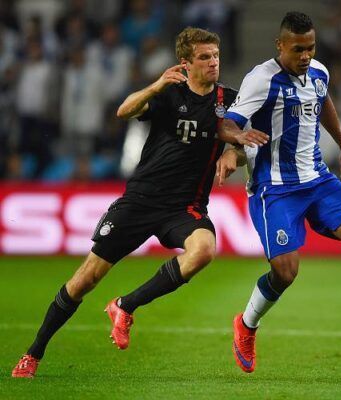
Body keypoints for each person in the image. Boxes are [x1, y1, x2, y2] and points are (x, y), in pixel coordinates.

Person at [11, 27, 266, 378]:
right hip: (141, 200)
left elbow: (243, 135)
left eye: (216, 56)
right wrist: (156, 84)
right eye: (205, 57)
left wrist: (233, 154)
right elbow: (123, 111)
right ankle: (33, 352)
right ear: (185, 63)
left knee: (204, 249)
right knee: (85, 279)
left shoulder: (230, 100)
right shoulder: (169, 93)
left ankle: (126, 305)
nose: (213, 63)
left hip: (184, 207)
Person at [217, 11, 341, 374]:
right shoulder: (260, 79)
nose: (305, 56)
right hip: (275, 189)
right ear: (280, 45)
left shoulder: (318, 72)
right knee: (285, 271)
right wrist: (237, 140)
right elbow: (226, 124)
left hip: (317, 179)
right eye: (298, 49)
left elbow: (324, 100)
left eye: (311, 48)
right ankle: (247, 324)